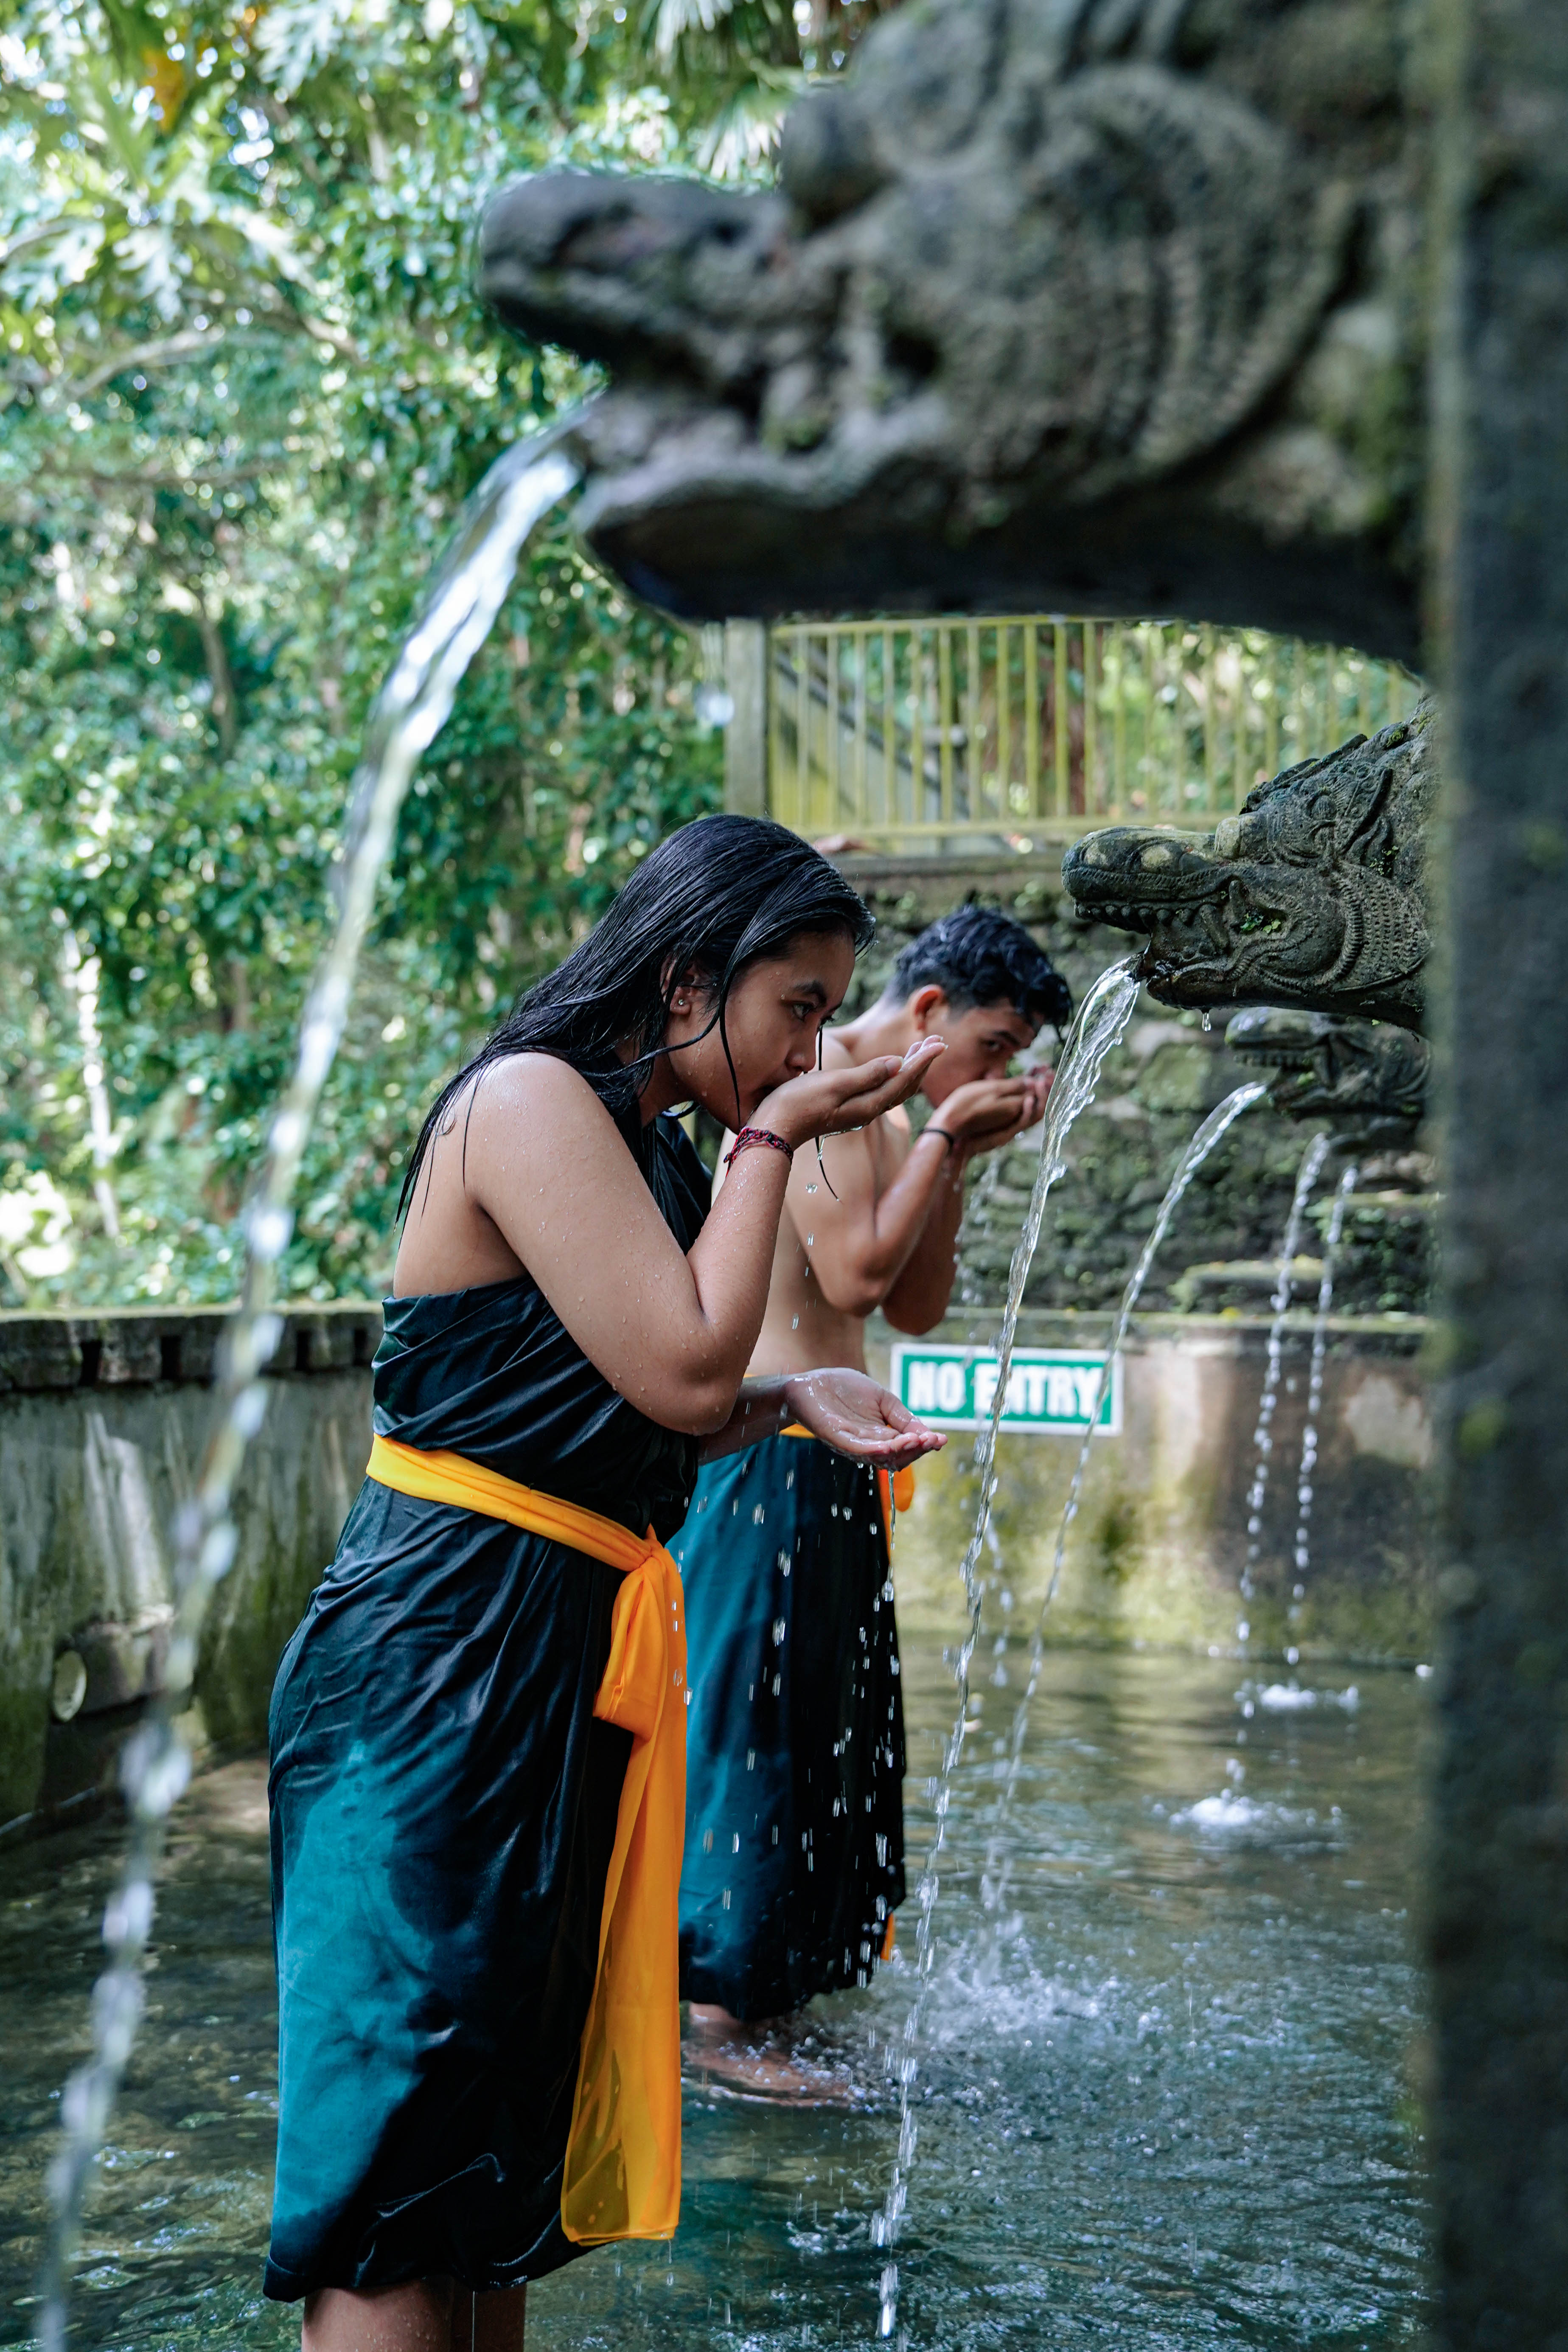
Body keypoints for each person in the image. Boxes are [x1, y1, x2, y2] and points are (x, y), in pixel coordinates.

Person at [264, 814, 947, 2352]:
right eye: (798, 1008)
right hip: (432, 1670)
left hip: (554, 1663)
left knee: (504, 2160)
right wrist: (771, 1144)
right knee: (399, 2167)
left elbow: (665, 1410)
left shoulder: (643, 1146)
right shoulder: (530, 1102)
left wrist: (797, 1402)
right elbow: (691, 1365)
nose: (812, 1045)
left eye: (830, 1013)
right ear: (688, 974)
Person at [676, 906, 1072, 2056]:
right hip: (765, 1459)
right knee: (757, 1734)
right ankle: (721, 2018)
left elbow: (915, 1304)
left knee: (834, 1739)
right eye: (992, 1048)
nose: (994, 1072)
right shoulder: (826, 1084)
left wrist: (950, 1151)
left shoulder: (895, 1112)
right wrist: (946, 1134)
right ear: (933, 1011)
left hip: (833, 1459)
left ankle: (783, 1998)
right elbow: (851, 1276)